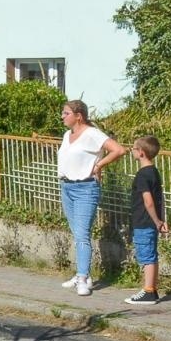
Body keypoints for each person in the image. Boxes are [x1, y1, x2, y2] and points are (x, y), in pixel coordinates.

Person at [57, 99, 127, 297]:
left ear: (78, 116)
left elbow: (118, 150)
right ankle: (81, 273)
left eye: (66, 113)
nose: (63, 116)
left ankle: (82, 276)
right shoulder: (67, 135)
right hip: (67, 186)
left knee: (82, 233)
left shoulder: (92, 134)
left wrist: (99, 165)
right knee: (76, 232)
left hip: (85, 187)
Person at [125, 136, 167, 305]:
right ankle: (151, 289)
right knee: (151, 254)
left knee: (147, 255)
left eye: (133, 148)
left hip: (144, 220)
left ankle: (149, 290)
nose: (132, 151)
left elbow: (148, 201)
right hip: (150, 221)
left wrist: (157, 221)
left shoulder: (143, 175)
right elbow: (160, 198)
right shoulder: (154, 172)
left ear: (141, 153)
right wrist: (161, 219)